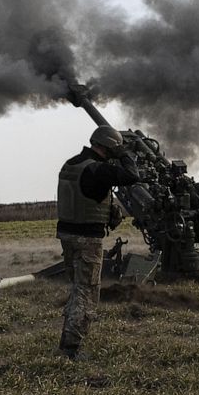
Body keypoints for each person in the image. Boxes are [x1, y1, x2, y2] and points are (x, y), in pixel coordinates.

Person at [55, 125, 140, 360]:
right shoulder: (98, 169)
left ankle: (67, 339)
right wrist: (124, 154)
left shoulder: (71, 164)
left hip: (67, 234)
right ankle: (70, 349)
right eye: (115, 146)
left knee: (78, 289)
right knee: (87, 291)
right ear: (109, 145)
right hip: (87, 238)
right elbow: (133, 176)